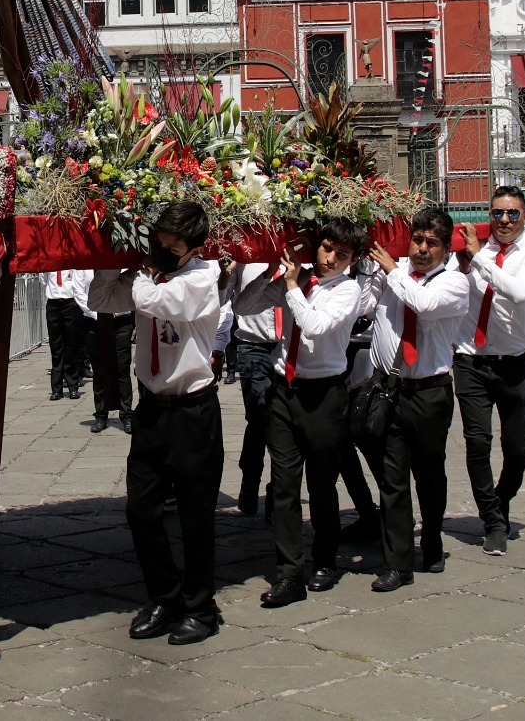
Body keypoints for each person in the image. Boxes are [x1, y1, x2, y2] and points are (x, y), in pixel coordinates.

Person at [88, 201, 223, 645]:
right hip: (150, 409)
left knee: (195, 516)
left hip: (192, 411)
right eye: (157, 244)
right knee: (140, 510)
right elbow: (102, 300)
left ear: (194, 248)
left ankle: (201, 608)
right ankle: (165, 596)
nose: (162, 252)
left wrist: (141, 271)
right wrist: (110, 259)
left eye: (173, 247)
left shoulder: (203, 278)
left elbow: (159, 301)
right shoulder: (148, 274)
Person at [233, 218, 367, 605]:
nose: (330, 259)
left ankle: (324, 559)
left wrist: (291, 286)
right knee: (284, 485)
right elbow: (244, 306)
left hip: (323, 395)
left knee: (322, 483)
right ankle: (289, 572)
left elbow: (314, 326)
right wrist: (274, 273)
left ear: (352, 259)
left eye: (341, 255)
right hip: (284, 388)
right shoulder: (299, 277)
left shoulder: (347, 291)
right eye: (326, 249)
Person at [357, 210, 471, 591]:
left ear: (445, 247)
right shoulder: (394, 272)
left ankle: (433, 536)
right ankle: (398, 562)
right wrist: (369, 272)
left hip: (429, 392)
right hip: (391, 389)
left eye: (431, 243)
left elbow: (423, 304)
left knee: (429, 474)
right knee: (392, 480)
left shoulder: (454, 283)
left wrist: (392, 271)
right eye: (417, 240)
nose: (421, 250)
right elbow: (365, 307)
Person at [452, 187, 525, 556]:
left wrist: (479, 259)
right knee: (477, 442)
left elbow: (519, 291)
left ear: (524, 216)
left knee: (517, 448)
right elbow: (455, 290)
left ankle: (502, 498)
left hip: (513, 362)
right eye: (498, 214)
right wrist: (464, 266)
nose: (505, 221)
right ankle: (492, 519)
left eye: (512, 214)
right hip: (470, 360)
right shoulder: (472, 247)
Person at [225, 262, 281, 517]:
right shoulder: (244, 258)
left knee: (283, 423)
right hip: (253, 345)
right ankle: (250, 481)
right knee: (259, 419)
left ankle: (277, 490)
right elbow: (223, 297)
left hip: (288, 347)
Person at [88, 297, 136, 436]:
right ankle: (101, 414)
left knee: (122, 368)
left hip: (120, 318)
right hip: (95, 319)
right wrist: (98, 314)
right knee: (99, 371)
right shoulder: (84, 273)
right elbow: (80, 293)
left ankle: (126, 414)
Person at [42, 268, 88, 401]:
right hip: (54, 303)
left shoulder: (72, 262)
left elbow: (80, 281)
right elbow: (44, 280)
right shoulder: (49, 263)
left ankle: (73, 385)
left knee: (72, 345)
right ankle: (56, 389)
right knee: (56, 347)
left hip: (70, 303)